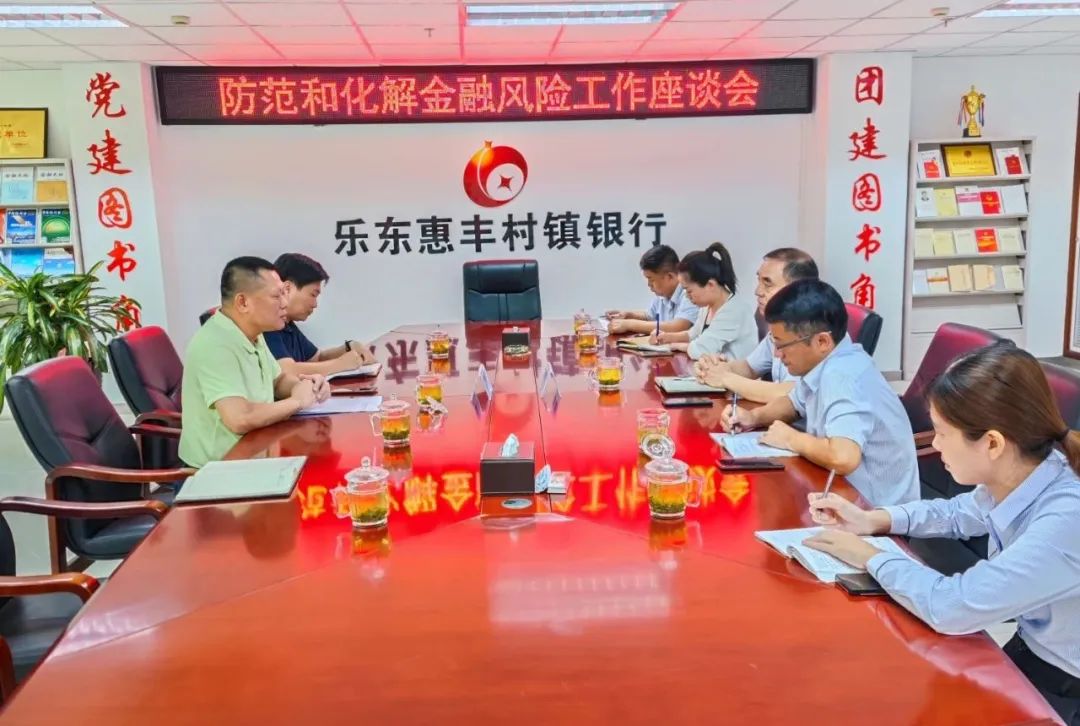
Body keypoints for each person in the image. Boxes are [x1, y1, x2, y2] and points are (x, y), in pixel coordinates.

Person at [805, 342, 1080, 725]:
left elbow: (952, 606)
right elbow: (957, 512)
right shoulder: (1030, 467)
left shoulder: (1066, 518)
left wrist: (870, 556)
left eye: (941, 433)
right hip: (1033, 646)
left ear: (992, 443)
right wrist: (873, 520)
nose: (934, 445)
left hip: (1065, 682)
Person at [721, 279, 918, 506]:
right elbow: (794, 404)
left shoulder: (843, 376)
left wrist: (791, 439)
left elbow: (843, 457)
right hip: (836, 491)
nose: (777, 354)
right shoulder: (826, 359)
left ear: (822, 341)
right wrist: (753, 417)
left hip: (873, 510)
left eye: (781, 345)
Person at [180, 256, 330, 468]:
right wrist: (297, 402)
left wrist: (306, 385)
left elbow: (277, 381)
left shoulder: (253, 333)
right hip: (219, 470)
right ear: (243, 302)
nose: (284, 303)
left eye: (284, 294)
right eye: (276, 296)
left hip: (258, 452)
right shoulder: (215, 344)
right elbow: (240, 418)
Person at [694, 248, 819, 402]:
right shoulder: (779, 328)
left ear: (797, 289)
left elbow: (790, 392)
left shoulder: (814, 330)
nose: (758, 291)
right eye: (759, 281)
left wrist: (726, 378)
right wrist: (713, 368)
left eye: (767, 284)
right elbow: (749, 367)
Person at [264, 253, 375, 377]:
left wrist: (349, 347)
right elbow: (286, 370)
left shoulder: (288, 325)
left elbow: (317, 358)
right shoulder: (268, 325)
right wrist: (340, 364)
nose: (315, 304)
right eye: (313, 295)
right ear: (287, 288)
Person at [649, 242, 757, 361]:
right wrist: (667, 337)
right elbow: (693, 334)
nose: (687, 297)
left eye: (689, 291)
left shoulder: (734, 310)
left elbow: (701, 350)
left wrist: (674, 346)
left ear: (710, 285)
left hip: (733, 371)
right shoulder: (707, 307)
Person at [606, 244, 698, 335]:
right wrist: (629, 315)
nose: (649, 284)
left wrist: (629, 324)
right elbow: (649, 316)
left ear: (669, 276)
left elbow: (677, 327)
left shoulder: (689, 293)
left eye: (651, 279)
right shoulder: (663, 295)